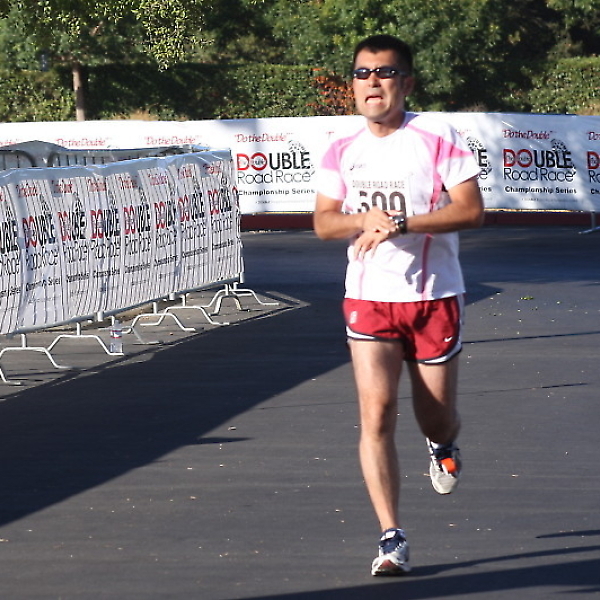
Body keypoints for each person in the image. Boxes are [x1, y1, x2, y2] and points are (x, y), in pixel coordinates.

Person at [313, 34, 484, 576]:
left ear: (406, 83)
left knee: (435, 414)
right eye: (362, 73)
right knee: (377, 412)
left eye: (384, 73)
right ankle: (392, 537)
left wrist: (403, 224)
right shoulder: (341, 146)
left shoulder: (436, 136)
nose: (372, 82)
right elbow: (324, 223)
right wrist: (363, 219)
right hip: (369, 297)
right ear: (352, 85)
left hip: (434, 295)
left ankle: (443, 442)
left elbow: (471, 211)